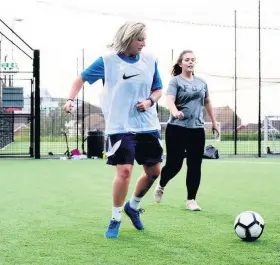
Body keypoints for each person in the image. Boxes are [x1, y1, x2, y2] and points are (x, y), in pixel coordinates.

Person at [64, 22, 163, 238]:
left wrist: (149, 101)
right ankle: (115, 218)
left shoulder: (150, 60)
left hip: (147, 125)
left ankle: (133, 207)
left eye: (144, 39)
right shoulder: (107, 62)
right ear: (128, 38)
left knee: (154, 172)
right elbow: (80, 79)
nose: (144, 44)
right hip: (120, 126)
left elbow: (158, 89)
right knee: (125, 171)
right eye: (140, 39)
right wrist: (70, 100)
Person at [153, 50, 219, 211]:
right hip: (176, 129)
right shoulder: (175, 82)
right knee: (175, 165)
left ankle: (191, 200)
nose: (190, 62)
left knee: (195, 165)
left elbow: (208, 102)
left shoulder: (202, 83)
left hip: (196, 130)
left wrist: (214, 121)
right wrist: (174, 111)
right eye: (187, 60)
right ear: (180, 63)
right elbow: (169, 99)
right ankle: (161, 185)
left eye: (193, 60)